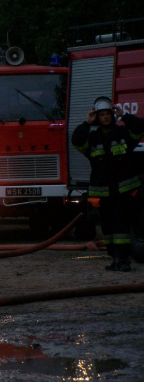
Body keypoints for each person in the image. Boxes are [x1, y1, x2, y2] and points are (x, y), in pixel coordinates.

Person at [71, 96, 144, 272]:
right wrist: (87, 122)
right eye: (101, 114)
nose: (105, 117)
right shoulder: (92, 138)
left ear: (112, 115)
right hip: (104, 193)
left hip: (122, 191)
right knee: (108, 228)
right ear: (97, 117)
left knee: (121, 227)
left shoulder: (123, 134)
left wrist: (124, 116)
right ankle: (114, 258)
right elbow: (76, 141)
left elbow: (140, 128)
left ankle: (123, 260)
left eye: (108, 114)